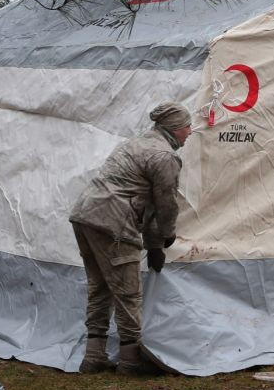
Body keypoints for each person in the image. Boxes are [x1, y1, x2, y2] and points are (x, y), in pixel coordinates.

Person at [69, 102, 192, 375]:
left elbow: (144, 203)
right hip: (113, 222)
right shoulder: (164, 157)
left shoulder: (135, 144)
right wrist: (168, 235)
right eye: (187, 126)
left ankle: (93, 356)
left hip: (85, 215)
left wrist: (153, 244)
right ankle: (130, 361)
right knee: (128, 292)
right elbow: (165, 205)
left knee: (100, 288)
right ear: (174, 129)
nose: (190, 132)